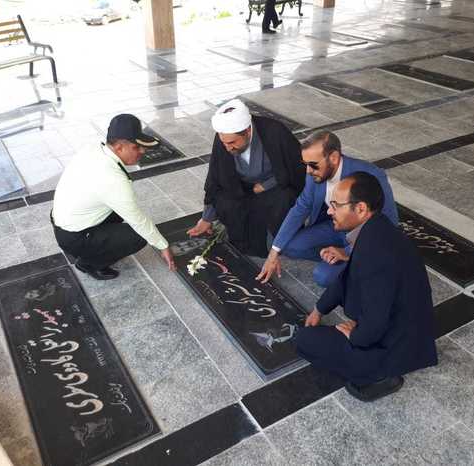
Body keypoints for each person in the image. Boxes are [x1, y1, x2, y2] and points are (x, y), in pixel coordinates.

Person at [296, 172, 438, 402]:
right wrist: (319, 309)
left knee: (305, 340)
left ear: (361, 209)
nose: (330, 211)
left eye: (335, 205)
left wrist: (355, 336)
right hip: (401, 328)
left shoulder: (376, 250)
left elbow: (376, 320)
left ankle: (379, 375)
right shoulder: (376, 228)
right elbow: (346, 278)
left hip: (397, 345)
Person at [256, 130, 398, 287]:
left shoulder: (372, 175)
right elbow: (301, 207)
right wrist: (273, 253)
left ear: (334, 158)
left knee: (323, 277)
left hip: (364, 237)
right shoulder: (314, 173)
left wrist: (347, 251)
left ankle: (361, 261)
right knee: (287, 246)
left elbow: (389, 222)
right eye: (305, 164)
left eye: (313, 165)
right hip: (334, 227)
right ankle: (336, 257)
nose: (308, 171)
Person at [51, 114, 176, 280]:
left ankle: (93, 246)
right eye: (136, 147)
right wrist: (163, 246)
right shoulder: (112, 178)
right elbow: (138, 220)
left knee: (120, 209)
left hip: (64, 220)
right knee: (138, 236)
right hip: (74, 236)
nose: (142, 151)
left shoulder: (95, 149)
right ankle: (89, 263)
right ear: (119, 147)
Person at [187, 99, 305, 257]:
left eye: (232, 143)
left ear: (248, 131)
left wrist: (265, 185)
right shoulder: (224, 139)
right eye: (224, 143)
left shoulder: (275, 132)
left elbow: (295, 167)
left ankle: (279, 240)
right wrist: (206, 219)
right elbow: (215, 177)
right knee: (225, 201)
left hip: (274, 186)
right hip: (241, 188)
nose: (228, 148)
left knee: (284, 198)